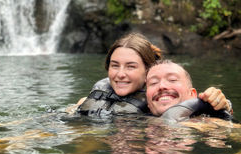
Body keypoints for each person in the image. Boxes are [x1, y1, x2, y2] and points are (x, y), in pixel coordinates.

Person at [76, 32, 231, 117]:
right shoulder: (94, 96)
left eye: (131, 67)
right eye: (114, 65)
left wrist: (223, 105)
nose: (120, 74)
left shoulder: (157, 102)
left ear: (148, 71)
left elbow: (194, 104)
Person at [145, 59, 233, 121]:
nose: (162, 86)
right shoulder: (135, 122)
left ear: (192, 94)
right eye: (153, 82)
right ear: (148, 103)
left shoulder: (209, 123)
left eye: (172, 80)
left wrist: (223, 109)